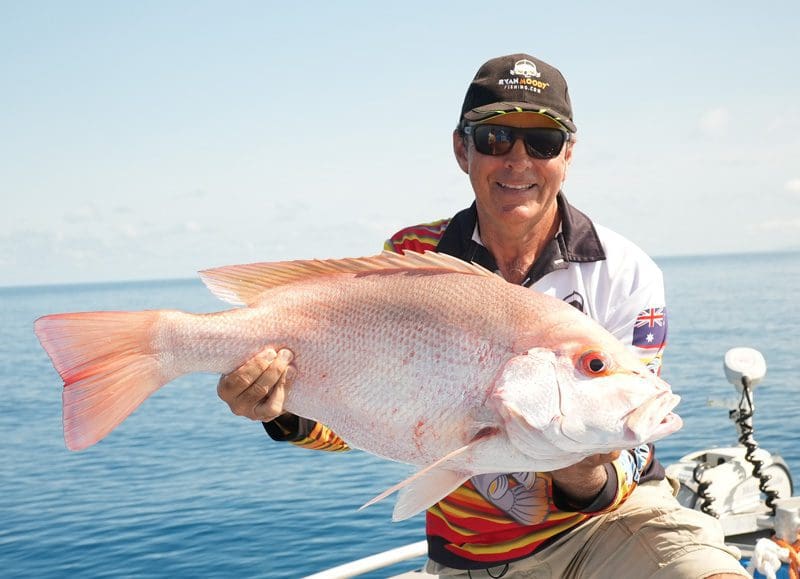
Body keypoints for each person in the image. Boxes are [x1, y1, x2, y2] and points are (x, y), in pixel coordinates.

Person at [217, 54, 748, 578]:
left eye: (542, 141)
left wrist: (580, 467)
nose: (519, 160)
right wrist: (281, 411)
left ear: (568, 154)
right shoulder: (413, 258)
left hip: (614, 525)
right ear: (460, 148)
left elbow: (629, 447)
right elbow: (373, 420)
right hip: (470, 558)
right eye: (496, 139)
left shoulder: (625, 271)